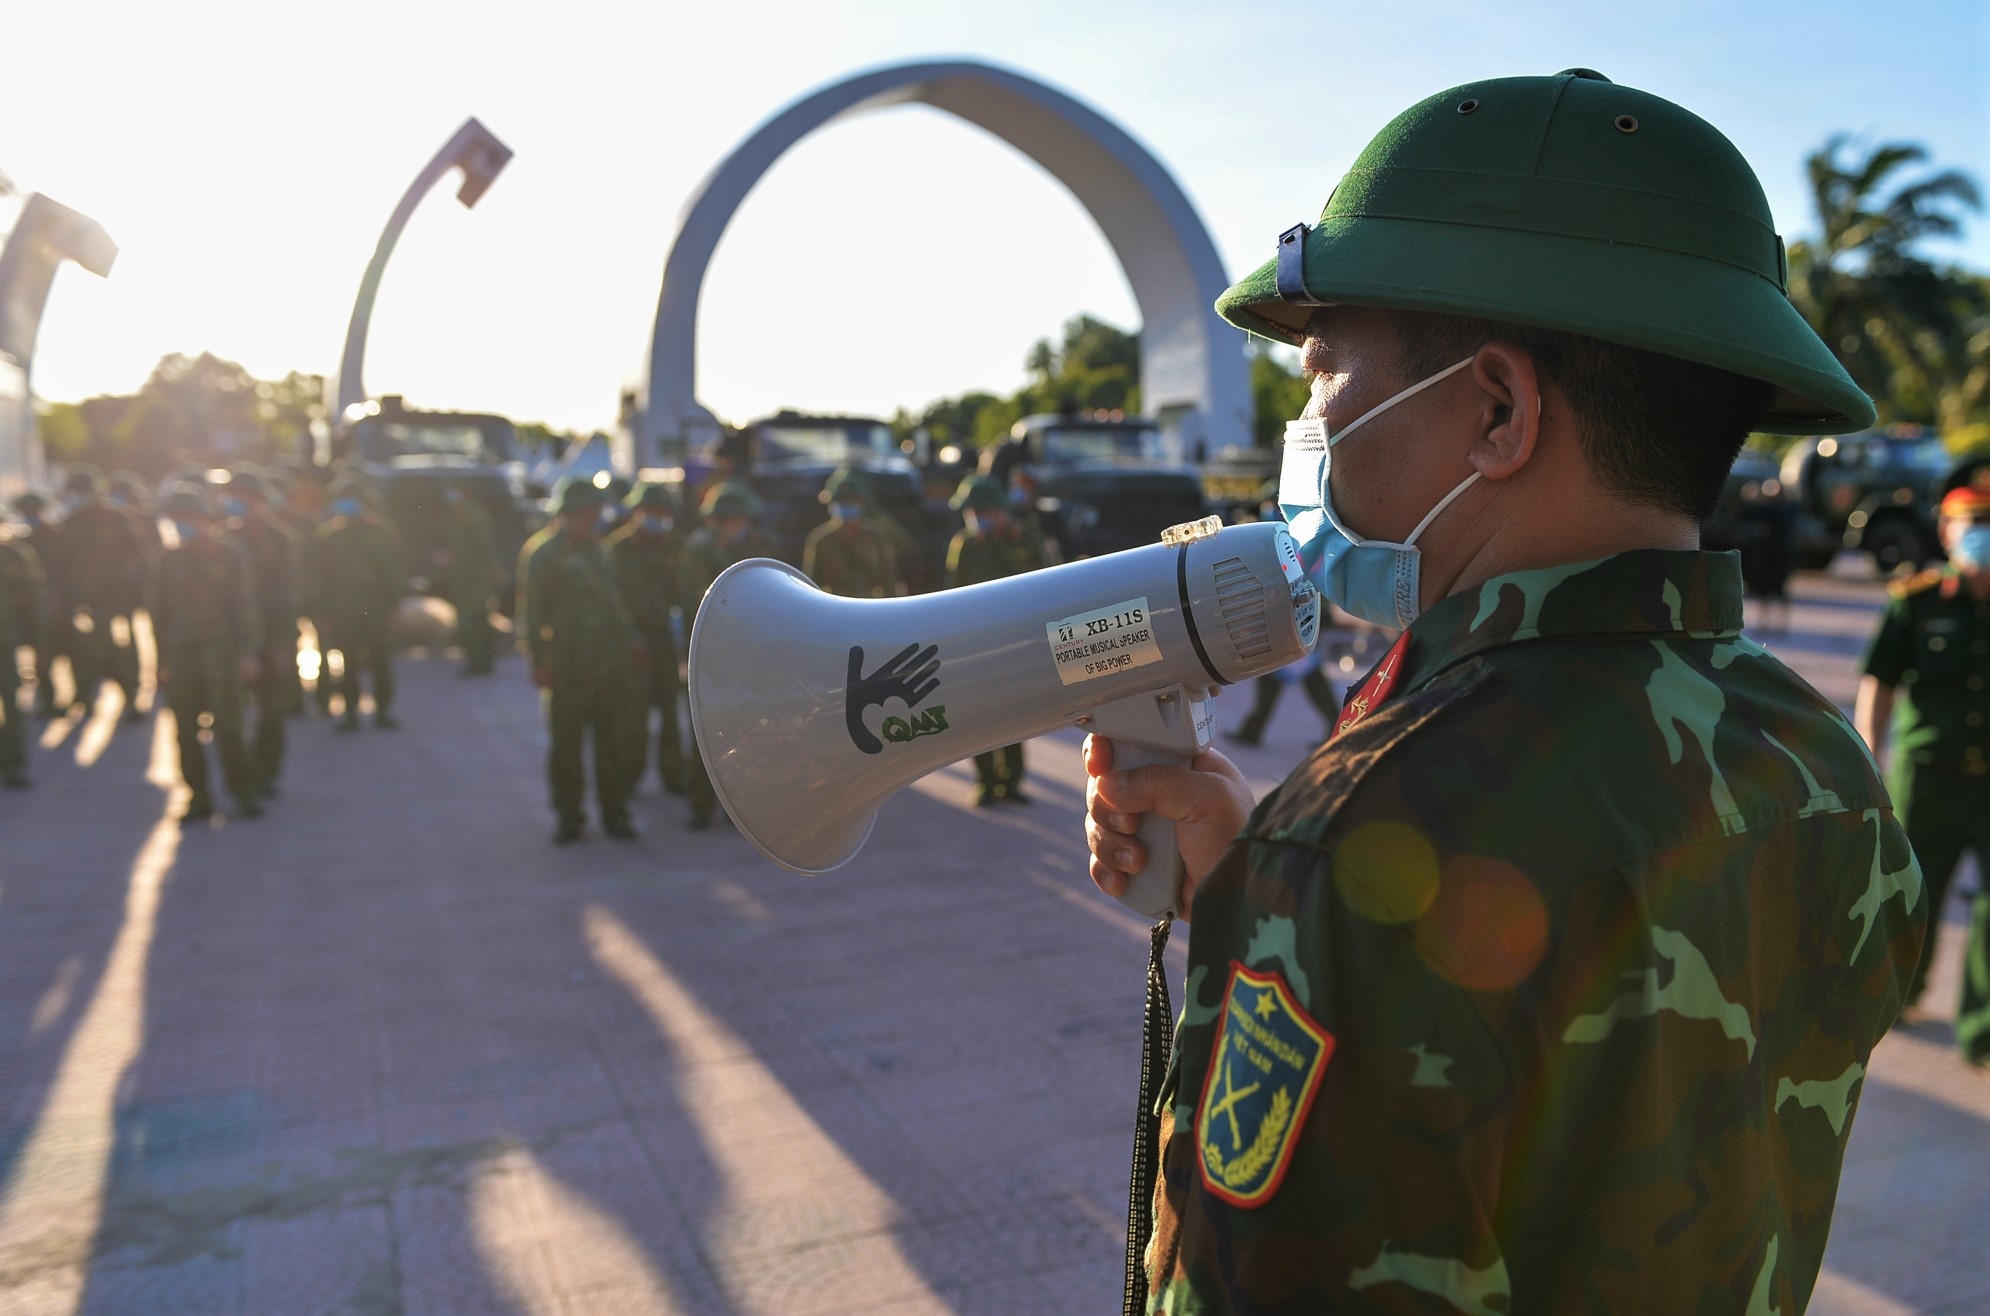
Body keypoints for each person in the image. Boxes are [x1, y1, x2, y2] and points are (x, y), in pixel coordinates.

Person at [1083, 70, 1924, 1314]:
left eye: (1323, 371)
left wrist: (1302, 895)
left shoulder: (1366, 832)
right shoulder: (1814, 762)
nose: (1309, 421)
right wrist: (1252, 902)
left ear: (1494, 408)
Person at [1856, 482, 1990, 1061]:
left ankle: (1981, 1032)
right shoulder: (1917, 601)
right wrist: (1867, 757)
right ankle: (1902, 996)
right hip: (1928, 775)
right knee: (1915, 895)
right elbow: (1879, 683)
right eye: (1972, 524)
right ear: (1947, 532)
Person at [518, 478, 643, 842]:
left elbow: (616, 604)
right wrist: (537, 661)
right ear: (570, 514)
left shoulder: (598, 550)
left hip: (609, 665)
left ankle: (615, 814)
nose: (594, 519)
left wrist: (631, 643)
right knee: (566, 748)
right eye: (589, 512)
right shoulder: (543, 554)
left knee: (611, 745)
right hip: (567, 666)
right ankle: (569, 818)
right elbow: (532, 613)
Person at [151, 486, 261, 822]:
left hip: (222, 654)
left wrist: (247, 653)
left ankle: (243, 794)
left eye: (186, 519)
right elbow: (158, 615)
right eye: (175, 520)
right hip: (182, 657)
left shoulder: (230, 554)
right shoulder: (166, 560)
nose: (180, 525)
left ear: (202, 519)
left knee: (229, 728)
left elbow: (244, 605)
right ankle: (198, 797)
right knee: (185, 730)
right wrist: (161, 663)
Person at [944, 474, 1047, 804]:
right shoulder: (965, 545)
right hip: (977, 644)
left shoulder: (1025, 538)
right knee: (981, 715)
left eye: (983, 511)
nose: (976, 518)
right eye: (971, 512)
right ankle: (986, 782)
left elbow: (1044, 580)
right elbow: (952, 594)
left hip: (1016, 640)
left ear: (1000, 510)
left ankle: (1011, 782)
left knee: (1015, 713)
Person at [679, 482, 776, 829]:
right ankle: (700, 805)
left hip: (749, 654)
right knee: (705, 731)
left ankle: (739, 808)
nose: (738, 524)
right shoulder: (698, 550)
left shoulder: (758, 547)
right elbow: (692, 601)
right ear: (716, 520)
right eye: (731, 519)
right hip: (709, 653)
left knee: (747, 731)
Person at [605, 482, 692, 795]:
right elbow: (611, 602)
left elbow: (687, 592)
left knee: (670, 711)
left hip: (667, 639)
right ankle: (629, 776)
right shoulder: (617, 550)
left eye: (663, 512)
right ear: (637, 512)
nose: (658, 518)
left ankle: (674, 774)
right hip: (634, 641)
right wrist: (630, 639)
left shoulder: (677, 546)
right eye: (652, 512)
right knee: (634, 715)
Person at [219, 469, 301, 794]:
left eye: (242, 498)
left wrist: (282, 645)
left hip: (269, 638)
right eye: (232, 497)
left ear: (258, 502)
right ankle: (243, 775)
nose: (235, 503)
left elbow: (288, 596)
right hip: (232, 640)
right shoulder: (223, 539)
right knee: (232, 713)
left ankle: (267, 773)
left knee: (269, 711)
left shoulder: (281, 540)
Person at [54, 467, 146, 720]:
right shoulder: (71, 522)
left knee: (122, 651)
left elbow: (138, 556)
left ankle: (131, 698)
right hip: (84, 599)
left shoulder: (120, 518)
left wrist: (136, 591)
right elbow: (61, 564)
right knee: (84, 651)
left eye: (83, 492)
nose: (80, 497)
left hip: (117, 598)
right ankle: (83, 697)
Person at [314, 481, 402, 731]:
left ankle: (383, 711)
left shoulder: (380, 532)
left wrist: (394, 606)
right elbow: (322, 578)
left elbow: (394, 571)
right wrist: (323, 613)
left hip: (376, 611)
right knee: (348, 665)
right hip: (343, 612)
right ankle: (350, 713)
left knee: (380, 662)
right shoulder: (330, 536)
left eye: (352, 500)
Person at [802, 467, 901, 597]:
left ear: (863, 503)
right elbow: (811, 588)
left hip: (869, 607)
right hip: (835, 608)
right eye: (841, 501)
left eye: (851, 501)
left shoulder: (876, 537)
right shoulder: (821, 540)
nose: (846, 505)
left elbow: (889, 585)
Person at [12, 493, 68, 717]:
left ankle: (80, 696)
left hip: (60, 603)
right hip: (34, 607)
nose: (29, 516)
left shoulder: (58, 537)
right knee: (42, 655)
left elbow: (68, 572)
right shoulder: (21, 542)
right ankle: (49, 700)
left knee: (66, 651)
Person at [0, 525, 46, 788]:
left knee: (10, 703)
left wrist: (40, 645)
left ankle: (13, 765)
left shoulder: (13, 555)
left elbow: (33, 598)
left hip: (4, 642)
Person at [439, 477, 500, 675]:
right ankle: (478, 661)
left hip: (475, 576)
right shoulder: (459, 513)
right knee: (471, 619)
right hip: (464, 575)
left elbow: (484, 545)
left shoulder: (472, 513)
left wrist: (492, 568)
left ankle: (481, 662)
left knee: (474, 619)